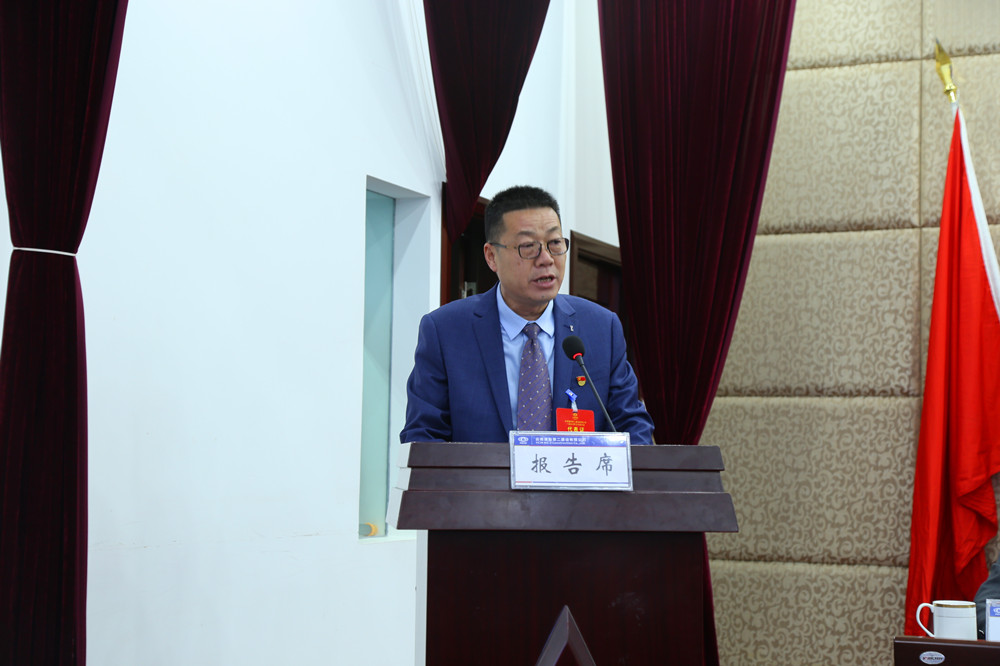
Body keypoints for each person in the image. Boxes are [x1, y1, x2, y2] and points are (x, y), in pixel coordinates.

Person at [400, 185, 655, 444]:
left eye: (555, 243)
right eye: (528, 246)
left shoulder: (601, 328)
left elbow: (632, 426)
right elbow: (423, 435)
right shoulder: (446, 331)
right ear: (491, 256)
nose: (546, 259)